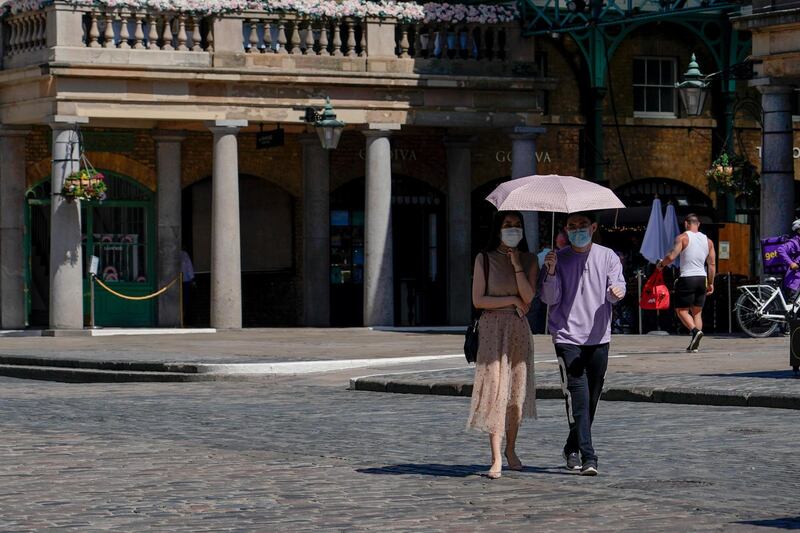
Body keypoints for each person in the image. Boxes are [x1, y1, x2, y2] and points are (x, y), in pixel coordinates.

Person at [540, 211, 625, 476]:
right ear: (565, 229)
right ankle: (589, 456)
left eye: (582, 225)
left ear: (593, 227)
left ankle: (571, 447)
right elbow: (549, 298)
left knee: (593, 397)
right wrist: (551, 272)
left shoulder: (607, 256)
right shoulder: (558, 258)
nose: (577, 230)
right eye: (572, 226)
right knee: (578, 396)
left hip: (599, 336)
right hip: (567, 336)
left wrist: (616, 292)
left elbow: (618, 286)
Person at [467, 210, 539, 480]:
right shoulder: (484, 259)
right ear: (498, 229)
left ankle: (511, 449)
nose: (513, 229)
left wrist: (517, 264)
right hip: (491, 328)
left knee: (515, 395)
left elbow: (530, 297)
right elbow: (479, 300)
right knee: (495, 389)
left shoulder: (530, 259)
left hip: (518, 329)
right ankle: (496, 456)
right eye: (508, 225)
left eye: (517, 225)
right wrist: (511, 300)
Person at [656, 213, 716, 352]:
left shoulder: (682, 237)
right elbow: (712, 264)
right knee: (697, 313)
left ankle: (695, 331)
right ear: (698, 224)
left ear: (686, 224)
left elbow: (671, 257)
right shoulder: (708, 241)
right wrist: (711, 282)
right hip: (702, 278)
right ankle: (695, 345)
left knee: (681, 310)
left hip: (687, 278)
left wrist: (661, 264)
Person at [777, 219, 800, 304]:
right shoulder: (794, 242)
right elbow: (780, 249)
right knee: (793, 309)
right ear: (798, 230)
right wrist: (791, 263)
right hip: (795, 282)